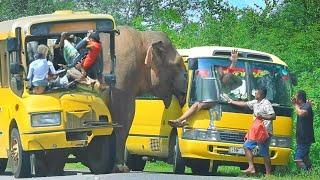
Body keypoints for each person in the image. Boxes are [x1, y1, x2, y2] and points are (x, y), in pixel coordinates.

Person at [168, 49, 242, 127]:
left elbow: (229, 73)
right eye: (216, 68)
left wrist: (233, 62)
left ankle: (180, 120)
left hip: (220, 101)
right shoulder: (211, 79)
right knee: (196, 105)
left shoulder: (224, 82)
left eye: (219, 68)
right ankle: (182, 120)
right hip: (212, 100)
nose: (217, 71)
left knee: (197, 105)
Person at [228, 88, 276, 175]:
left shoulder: (266, 103)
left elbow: (273, 116)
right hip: (256, 130)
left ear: (261, 94)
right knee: (247, 146)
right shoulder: (255, 102)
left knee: (264, 152)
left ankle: (268, 174)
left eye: (256, 92)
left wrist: (262, 116)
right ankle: (251, 168)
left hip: (264, 131)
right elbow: (244, 104)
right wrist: (231, 101)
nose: (255, 94)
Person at [292, 90, 315, 171]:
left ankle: (305, 174)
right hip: (301, 138)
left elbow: (301, 113)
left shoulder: (306, 106)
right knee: (305, 158)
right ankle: (311, 172)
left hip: (305, 138)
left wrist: (295, 105)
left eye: (296, 96)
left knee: (298, 159)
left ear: (300, 98)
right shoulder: (303, 106)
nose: (294, 98)